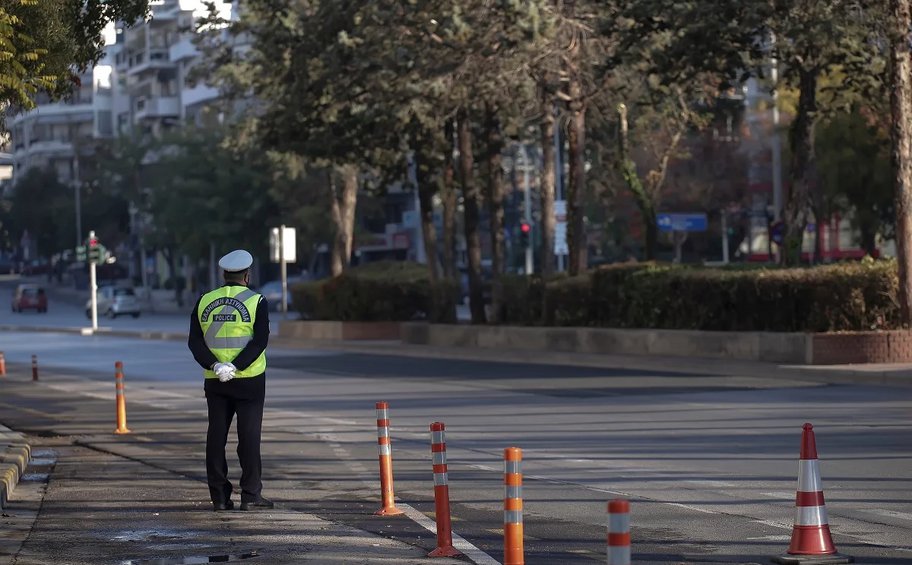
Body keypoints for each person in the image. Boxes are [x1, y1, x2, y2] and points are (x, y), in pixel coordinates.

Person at [188, 249, 274, 512]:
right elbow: (260, 341)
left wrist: (215, 365)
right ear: (247, 275)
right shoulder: (256, 301)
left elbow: (195, 342)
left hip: (215, 380)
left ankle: (220, 497)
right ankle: (250, 495)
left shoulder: (204, 300)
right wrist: (236, 366)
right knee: (248, 437)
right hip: (249, 379)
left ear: (223, 274)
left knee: (216, 436)